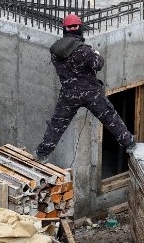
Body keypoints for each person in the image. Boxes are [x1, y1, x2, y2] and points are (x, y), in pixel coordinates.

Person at [35, 14, 137, 163]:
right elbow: (99, 65)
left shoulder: (55, 51)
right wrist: (96, 54)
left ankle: (42, 153)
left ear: (64, 29)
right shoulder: (84, 50)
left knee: (57, 125)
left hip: (69, 94)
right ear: (79, 29)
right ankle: (129, 143)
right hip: (91, 93)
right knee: (110, 117)